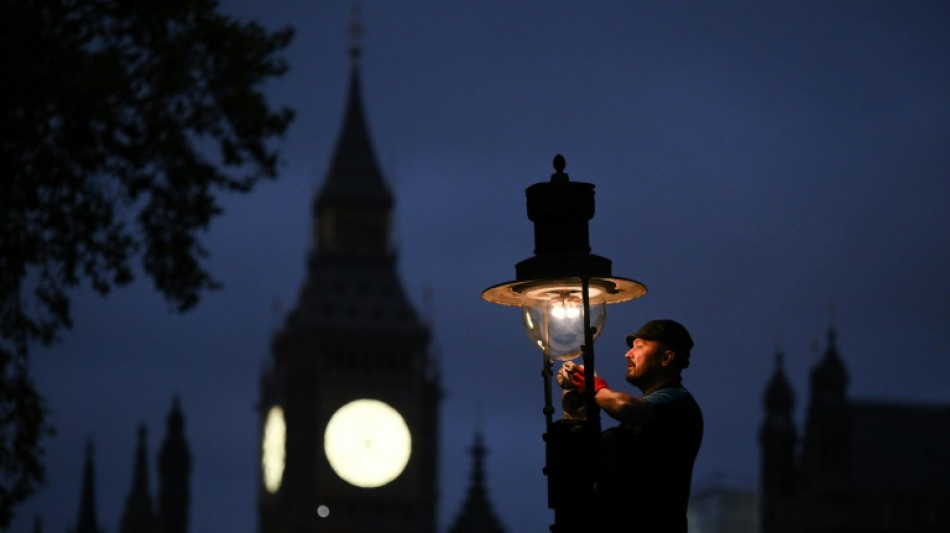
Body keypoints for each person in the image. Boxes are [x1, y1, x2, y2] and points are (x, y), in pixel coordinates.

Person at [565, 319, 703, 533]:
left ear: (667, 357)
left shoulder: (677, 403)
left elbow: (625, 407)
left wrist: (595, 388)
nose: (628, 354)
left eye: (639, 346)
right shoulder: (648, 416)